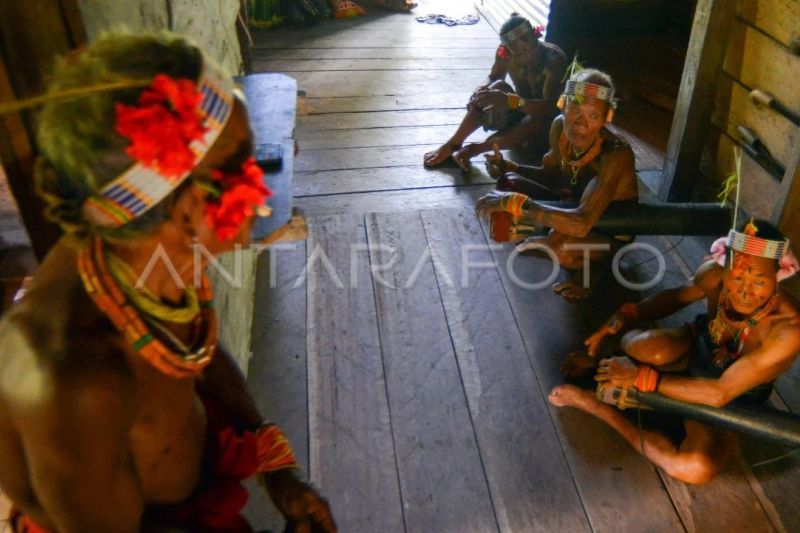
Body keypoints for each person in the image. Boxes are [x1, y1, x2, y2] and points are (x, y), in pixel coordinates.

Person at [0, 33, 336, 532]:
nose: (262, 182)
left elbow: (192, 352)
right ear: (187, 212)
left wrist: (275, 467)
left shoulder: (142, 251)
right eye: (245, 162)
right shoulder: (75, 385)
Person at [549, 219, 800, 484]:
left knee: (695, 469)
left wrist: (642, 378)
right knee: (640, 346)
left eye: (759, 280)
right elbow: (673, 298)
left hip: (731, 398)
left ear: (778, 274)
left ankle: (597, 405)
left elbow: (719, 393)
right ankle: (609, 361)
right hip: (696, 350)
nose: (745, 291)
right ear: (725, 266)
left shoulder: (788, 329)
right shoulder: (714, 276)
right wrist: (623, 317)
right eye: (737, 276)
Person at [475, 68, 638, 300]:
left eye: (593, 116)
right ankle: (550, 235)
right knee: (508, 185)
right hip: (571, 205)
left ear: (606, 118)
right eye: (575, 111)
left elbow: (582, 223)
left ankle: (596, 265)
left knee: (559, 246)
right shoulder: (559, 127)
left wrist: (522, 206)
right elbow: (550, 176)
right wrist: (507, 167)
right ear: (563, 105)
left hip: (604, 230)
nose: (580, 124)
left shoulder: (615, 154)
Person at [423, 14, 566, 171]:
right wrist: (482, 89)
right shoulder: (504, 54)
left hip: (546, 125)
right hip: (520, 111)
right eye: (520, 54)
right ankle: (454, 143)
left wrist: (512, 101)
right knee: (495, 87)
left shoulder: (553, 59)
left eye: (531, 48)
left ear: (536, 36)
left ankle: (474, 150)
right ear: (508, 52)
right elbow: (493, 77)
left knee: (534, 119)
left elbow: (551, 108)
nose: (528, 55)